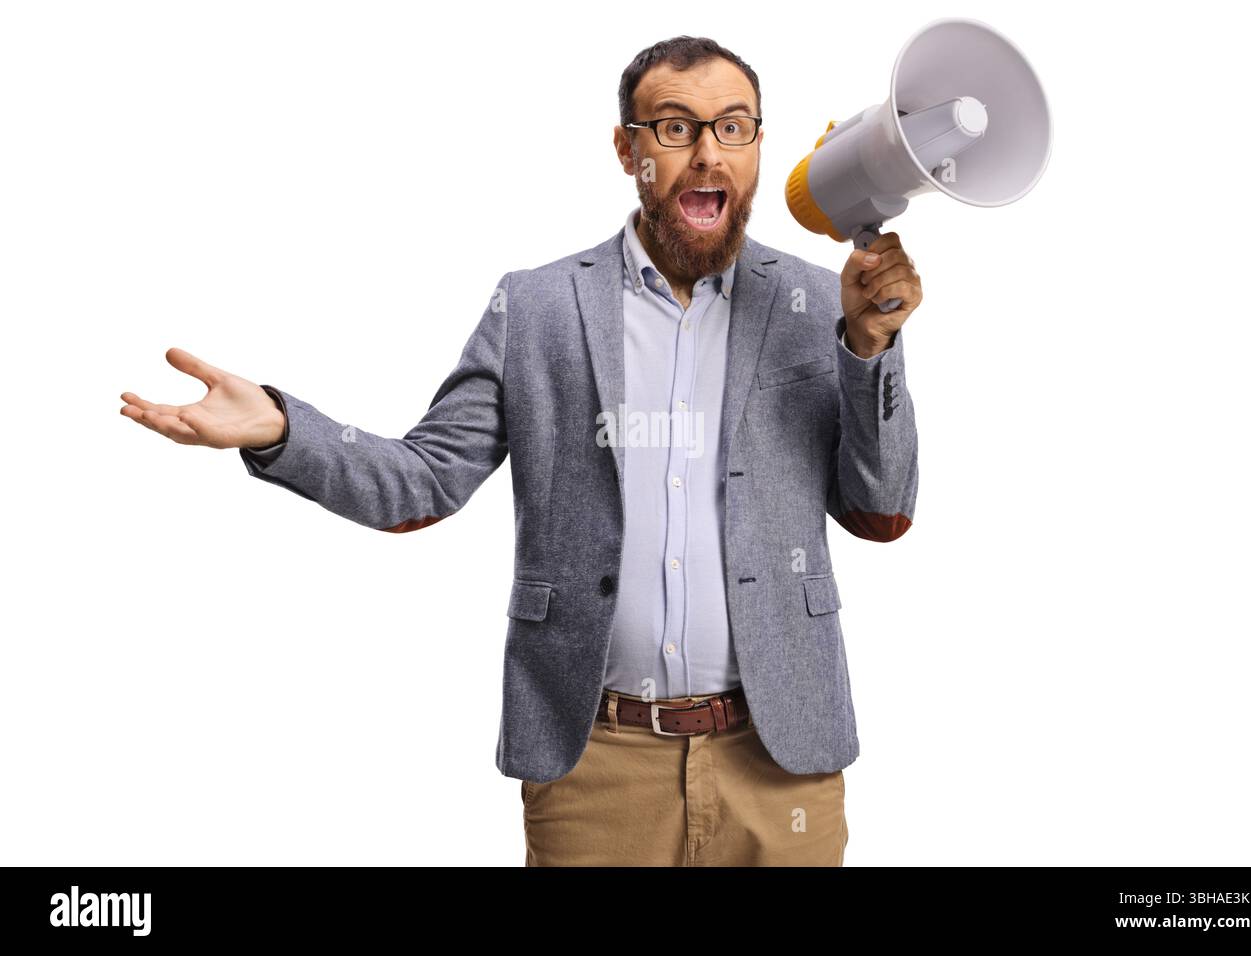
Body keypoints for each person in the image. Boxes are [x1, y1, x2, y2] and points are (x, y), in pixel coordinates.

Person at [121, 35, 923, 866]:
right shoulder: (536, 307)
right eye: (675, 128)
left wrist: (869, 346)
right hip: (596, 765)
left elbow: (882, 510)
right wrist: (287, 430)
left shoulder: (814, 302)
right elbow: (423, 482)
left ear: (758, 144)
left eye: (733, 127)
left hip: (782, 764)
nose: (706, 154)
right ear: (628, 148)